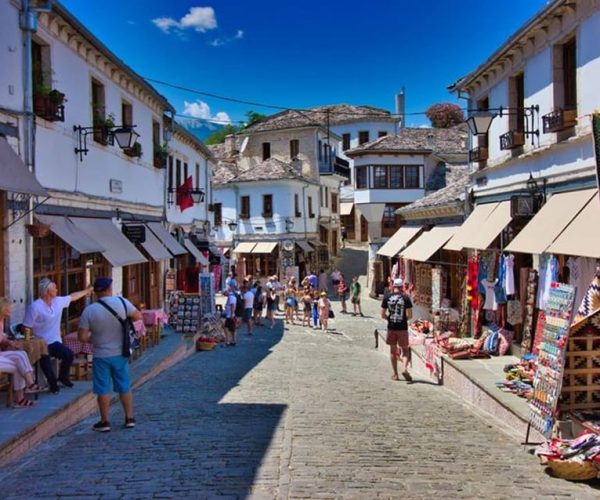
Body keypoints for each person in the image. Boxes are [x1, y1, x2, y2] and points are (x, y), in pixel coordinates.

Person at [78, 278, 141, 431]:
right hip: (120, 352)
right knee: (124, 386)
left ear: (96, 292)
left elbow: (82, 337)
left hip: (100, 354)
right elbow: (138, 316)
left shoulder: (89, 311)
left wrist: (94, 337)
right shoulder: (122, 302)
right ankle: (129, 418)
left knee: (102, 389)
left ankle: (105, 421)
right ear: (109, 288)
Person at [23, 277, 92, 393]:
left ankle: (63, 377)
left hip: (54, 341)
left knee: (69, 354)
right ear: (47, 291)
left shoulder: (58, 301)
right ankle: (52, 383)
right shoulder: (35, 307)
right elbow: (26, 326)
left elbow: (73, 297)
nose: (57, 289)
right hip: (40, 343)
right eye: (54, 288)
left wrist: (87, 291)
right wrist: (31, 343)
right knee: (45, 360)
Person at [0, 297, 43, 408]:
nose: (11, 309)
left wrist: (10, 342)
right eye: (9, 307)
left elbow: (2, 338)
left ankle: (29, 384)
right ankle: (22, 395)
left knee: (21, 354)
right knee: (17, 365)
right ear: (2, 308)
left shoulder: (1, 320)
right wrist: (8, 342)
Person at [381, 278, 413, 382]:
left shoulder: (386, 297)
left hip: (391, 327)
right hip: (402, 327)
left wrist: (389, 319)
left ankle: (395, 374)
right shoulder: (406, 298)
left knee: (392, 351)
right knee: (405, 350)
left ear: (393, 286)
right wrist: (404, 319)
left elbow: (382, 314)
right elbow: (410, 315)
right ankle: (404, 369)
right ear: (402, 287)